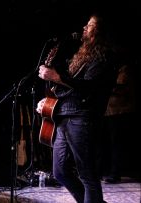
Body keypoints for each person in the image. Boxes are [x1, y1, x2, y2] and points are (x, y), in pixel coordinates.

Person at [36, 13, 119, 203]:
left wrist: (56, 77)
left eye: (89, 26)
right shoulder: (83, 55)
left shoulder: (105, 56)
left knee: (87, 174)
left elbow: (88, 87)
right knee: (60, 172)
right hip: (64, 116)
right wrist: (47, 101)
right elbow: (70, 87)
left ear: (100, 32)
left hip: (83, 117)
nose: (84, 28)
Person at [102, 63, 136, 183]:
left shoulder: (124, 68)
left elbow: (121, 87)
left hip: (119, 111)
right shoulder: (112, 68)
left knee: (117, 143)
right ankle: (108, 171)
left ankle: (115, 173)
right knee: (110, 142)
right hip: (109, 111)